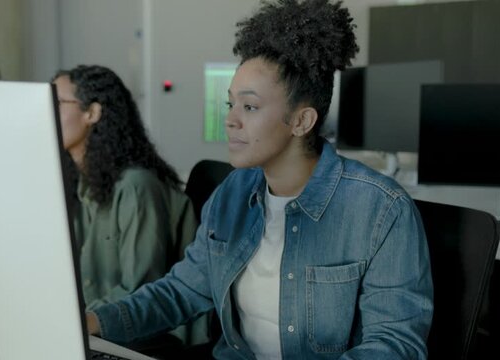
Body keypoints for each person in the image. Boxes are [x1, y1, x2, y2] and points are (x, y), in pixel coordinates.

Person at [85, 0, 433, 359]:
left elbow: (394, 345)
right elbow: (182, 291)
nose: (231, 120)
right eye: (230, 105)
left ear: (301, 121)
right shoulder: (231, 194)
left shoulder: (380, 209)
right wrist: (94, 321)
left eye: (249, 107)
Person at [52, 65, 206, 345]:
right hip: (97, 330)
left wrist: (72, 323)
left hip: (150, 337)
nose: (47, 112)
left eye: (58, 102)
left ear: (92, 113)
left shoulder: (136, 186)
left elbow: (140, 288)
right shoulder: (81, 182)